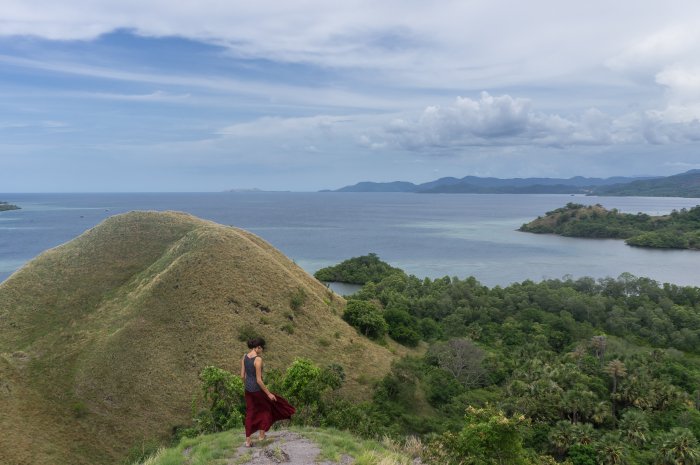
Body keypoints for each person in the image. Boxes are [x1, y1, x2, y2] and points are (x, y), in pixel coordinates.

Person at [240, 337, 295, 447]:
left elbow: (242, 376)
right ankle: (261, 436)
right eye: (262, 349)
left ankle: (248, 441)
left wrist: (247, 385)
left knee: (250, 413)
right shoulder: (258, 360)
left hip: (248, 390)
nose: (262, 351)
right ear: (258, 347)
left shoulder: (244, 357)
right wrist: (269, 393)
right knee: (266, 409)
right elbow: (259, 380)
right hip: (257, 390)